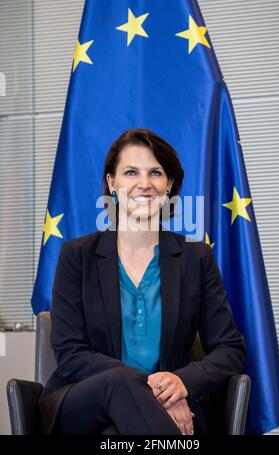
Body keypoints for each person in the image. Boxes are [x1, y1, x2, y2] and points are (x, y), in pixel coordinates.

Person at [39, 128, 245, 435]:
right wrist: (154, 387)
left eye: (156, 173)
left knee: (116, 436)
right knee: (117, 383)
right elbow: (70, 354)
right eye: (131, 172)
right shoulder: (77, 256)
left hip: (155, 414)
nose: (144, 184)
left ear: (170, 184)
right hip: (83, 404)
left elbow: (230, 349)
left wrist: (181, 382)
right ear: (112, 183)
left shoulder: (195, 259)